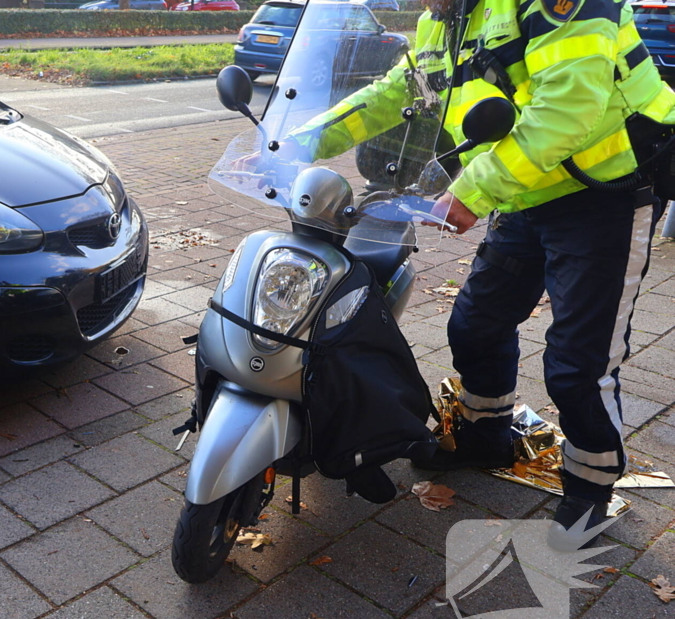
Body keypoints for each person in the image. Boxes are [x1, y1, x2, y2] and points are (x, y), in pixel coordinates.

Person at [282, 0, 675, 550]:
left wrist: (472, 192)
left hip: (604, 195)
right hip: (525, 191)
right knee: (475, 325)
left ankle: (591, 484)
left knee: (579, 363)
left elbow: (567, 108)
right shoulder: (445, 18)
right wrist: (292, 142)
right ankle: (487, 435)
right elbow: (396, 94)